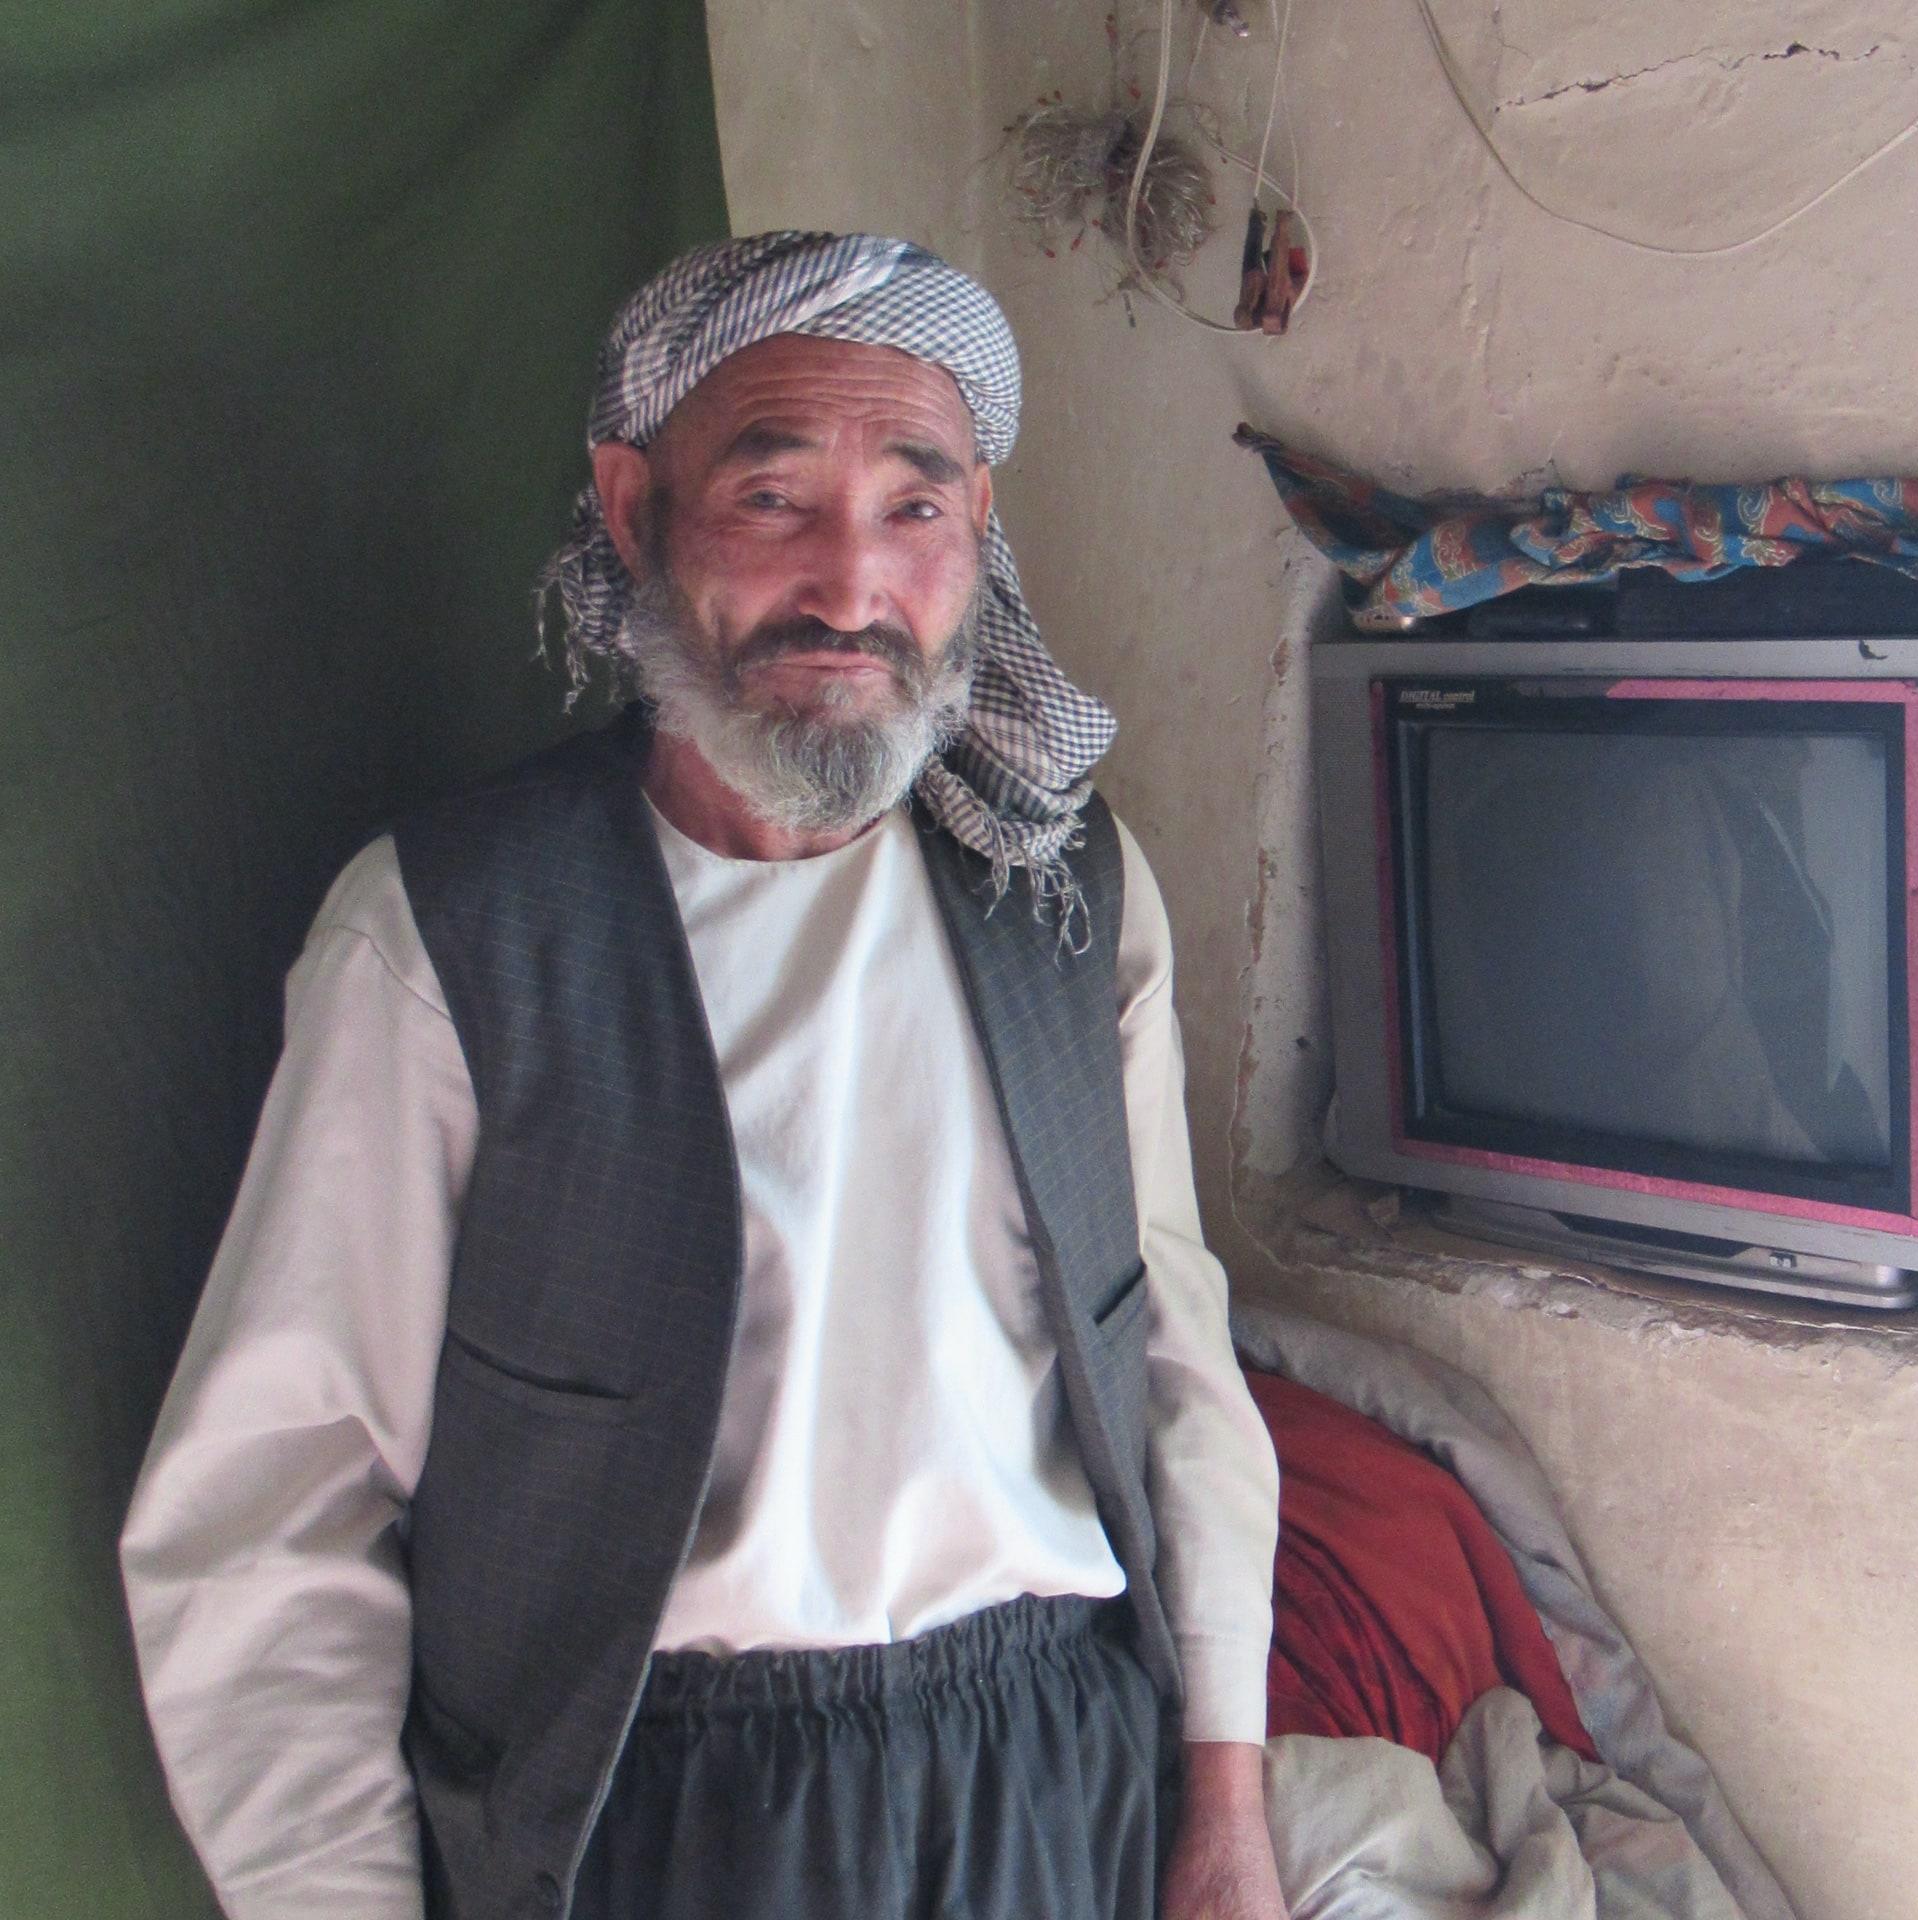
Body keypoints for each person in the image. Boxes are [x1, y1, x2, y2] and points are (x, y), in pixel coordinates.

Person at [120, 232, 1287, 1920]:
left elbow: (1177, 1351)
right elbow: (269, 1515)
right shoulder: (449, 937)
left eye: (916, 507)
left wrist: (1225, 1800)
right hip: (654, 1820)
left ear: (979, 538)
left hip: (1058, 1780)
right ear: (630, 505)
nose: (850, 587)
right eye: (770, 498)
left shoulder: (1067, 892)